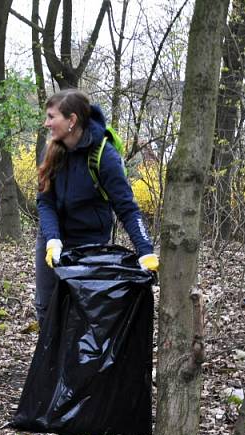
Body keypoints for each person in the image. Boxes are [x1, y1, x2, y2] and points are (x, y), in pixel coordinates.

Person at [35, 88, 159, 328]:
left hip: (89, 242)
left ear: (71, 120)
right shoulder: (51, 150)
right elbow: (45, 200)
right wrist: (52, 239)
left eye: (52, 117)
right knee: (46, 306)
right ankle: (50, 363)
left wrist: (145, 251)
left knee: (82, 310)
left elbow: (127, 209)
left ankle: (78, 365)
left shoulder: (104, 156)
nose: (46, 123)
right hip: (52, 239)